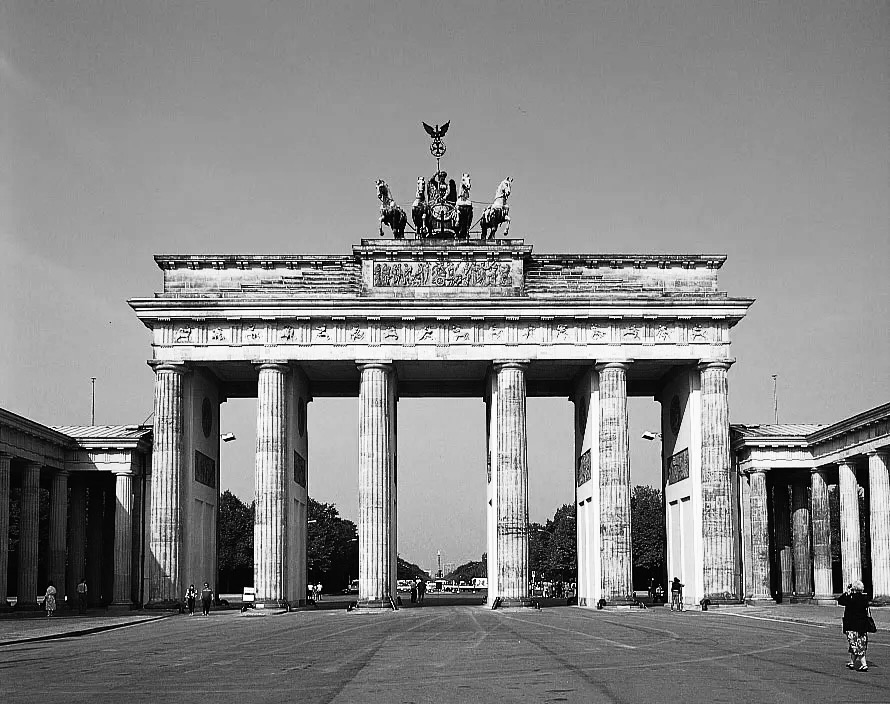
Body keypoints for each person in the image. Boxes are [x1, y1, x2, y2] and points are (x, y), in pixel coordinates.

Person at [838, 580, 871, 672]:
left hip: (851, 625)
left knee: (855, 645)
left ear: (854, 588)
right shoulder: (864, 598)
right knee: (858, 644)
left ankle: (864, 664)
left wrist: (847, 593)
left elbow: (840, 601)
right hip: (862, 626)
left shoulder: (851, 598)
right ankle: (852, 662)